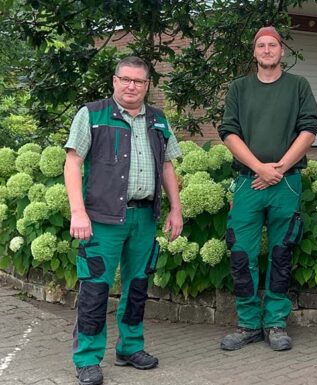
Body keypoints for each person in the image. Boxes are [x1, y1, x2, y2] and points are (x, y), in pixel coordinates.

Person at [64, 56, 183, 385]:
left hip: (144, 217)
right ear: (114, 81)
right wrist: (78, 211)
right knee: (95, 289)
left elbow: (169, 167)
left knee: (138, 287)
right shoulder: (92, 114)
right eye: (125, 79)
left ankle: (130, 348)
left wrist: (176, 209)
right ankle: (87, 358)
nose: (131, 86)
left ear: (147, 85)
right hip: (102, 220)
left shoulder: (158, 120)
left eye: (139, 81)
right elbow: (73, 163)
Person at [218, 26, 317, 352]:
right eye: (260, 45)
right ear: (254, 52)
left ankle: (275, 323)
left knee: (281, 252)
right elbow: (229, 132)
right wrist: (260, 168)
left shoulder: (298, 86)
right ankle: (248, 323)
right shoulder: (238, 88)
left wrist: (279, 168)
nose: (266, 49)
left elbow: (309, 129)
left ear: (282, 51)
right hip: (248, 181)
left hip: (286, 183)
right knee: (240, 253)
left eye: (272, 45)